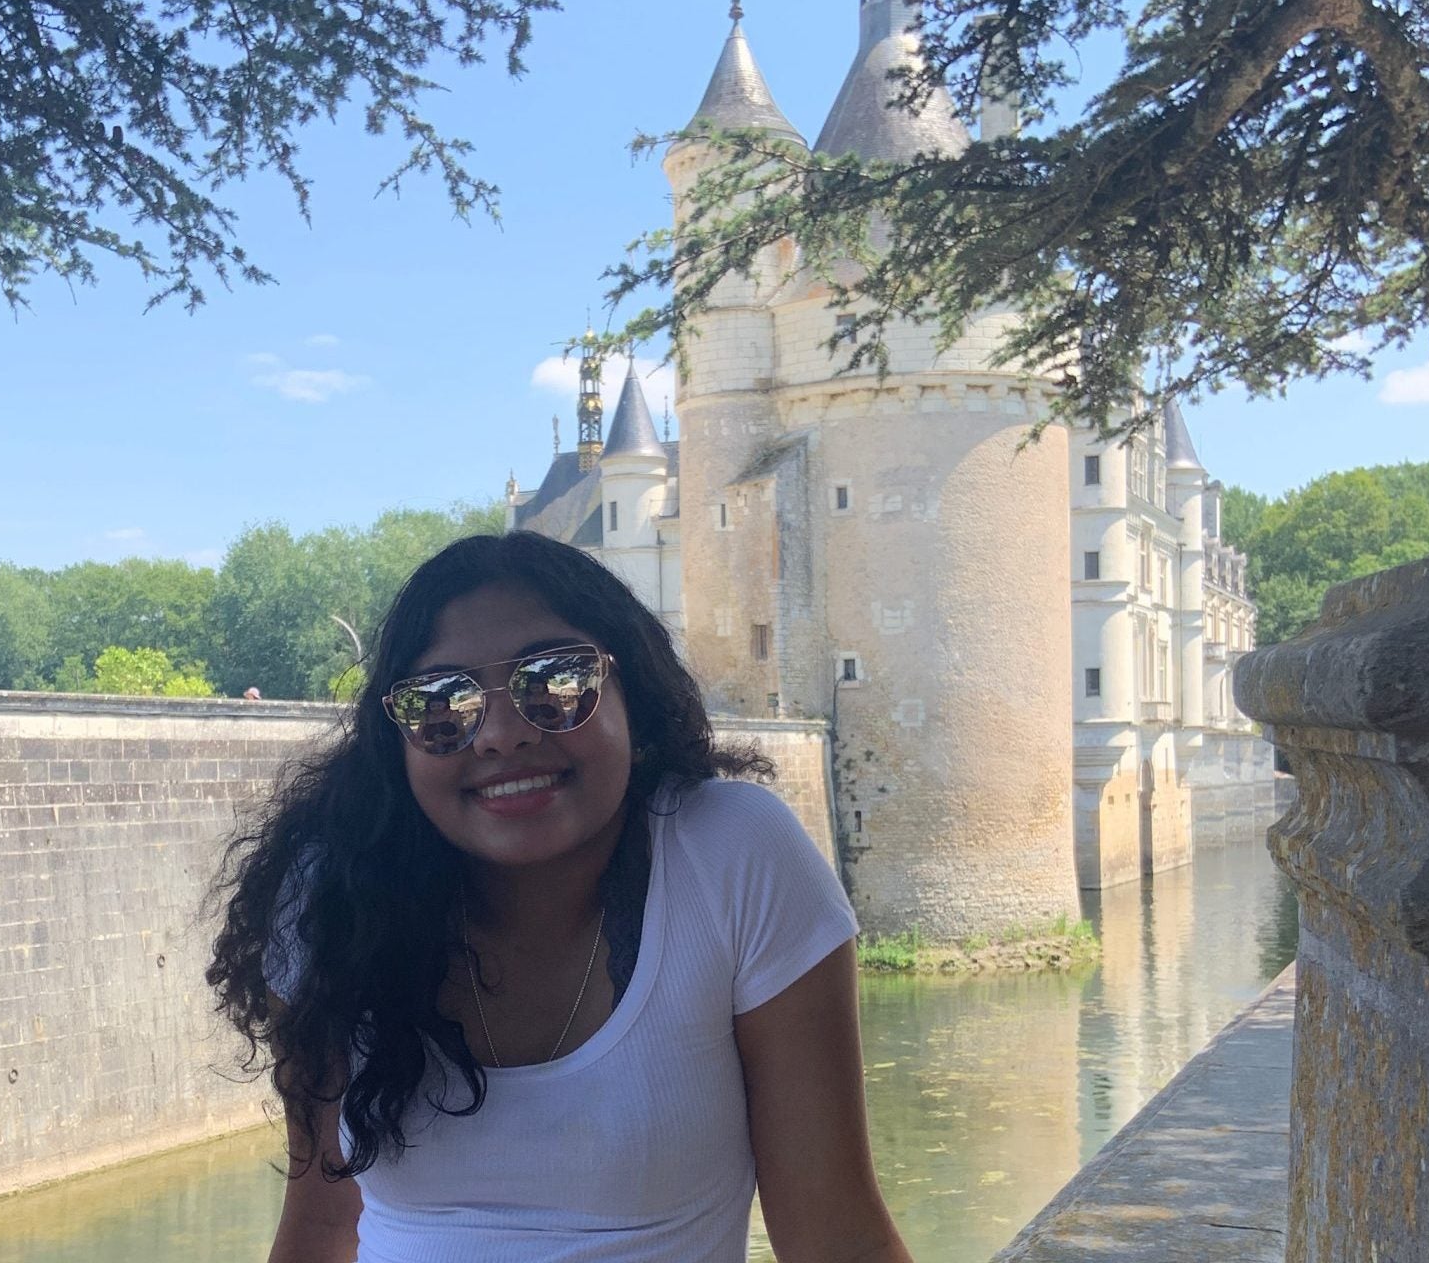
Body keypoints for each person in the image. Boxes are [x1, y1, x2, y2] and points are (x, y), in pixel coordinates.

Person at [208, 531, 912, 1263]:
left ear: (629, 689)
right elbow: (322, 1227)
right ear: (400, 741)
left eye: (554, 682)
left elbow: (838, 1236)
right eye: (444, 704)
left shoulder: (731, 855)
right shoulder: (329, 899)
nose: (502, 736)